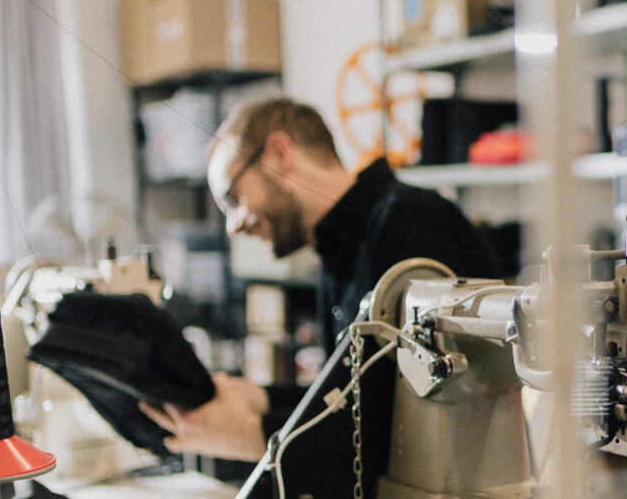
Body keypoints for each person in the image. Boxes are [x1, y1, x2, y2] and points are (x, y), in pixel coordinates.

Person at [140, 96, 501, 461]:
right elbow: (349, 397)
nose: (233, 227)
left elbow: (399, 424)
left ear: (279, 153)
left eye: (234, 199)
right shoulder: (335, 252)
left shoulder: (406, 222)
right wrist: (259, 397)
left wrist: (252, 435)